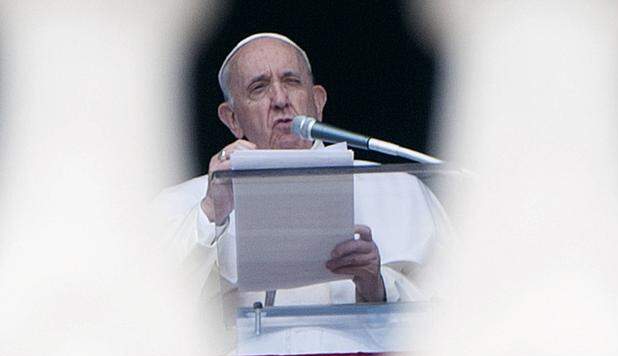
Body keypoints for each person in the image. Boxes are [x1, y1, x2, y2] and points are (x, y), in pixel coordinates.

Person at [155, 33, 449, 311]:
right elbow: (145, 305)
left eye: (291, 82)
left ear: (318, 102)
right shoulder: (184, 203)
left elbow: (459, 308)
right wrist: (211, 212)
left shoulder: (397, 189)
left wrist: (377, 285)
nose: (280, 99)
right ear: (232, 119)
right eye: (259, 88)